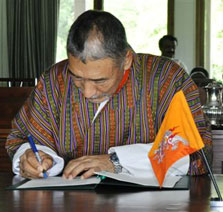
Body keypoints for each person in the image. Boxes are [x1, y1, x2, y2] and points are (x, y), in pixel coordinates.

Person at [6, 10, 212, 179]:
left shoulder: (166, 79)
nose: (87, 92)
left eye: (99, 80)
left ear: (126, 60)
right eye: (77, 77)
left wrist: (116, 162)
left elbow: (194, 152)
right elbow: (24, 138)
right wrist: (36, 160)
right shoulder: (54, 80)